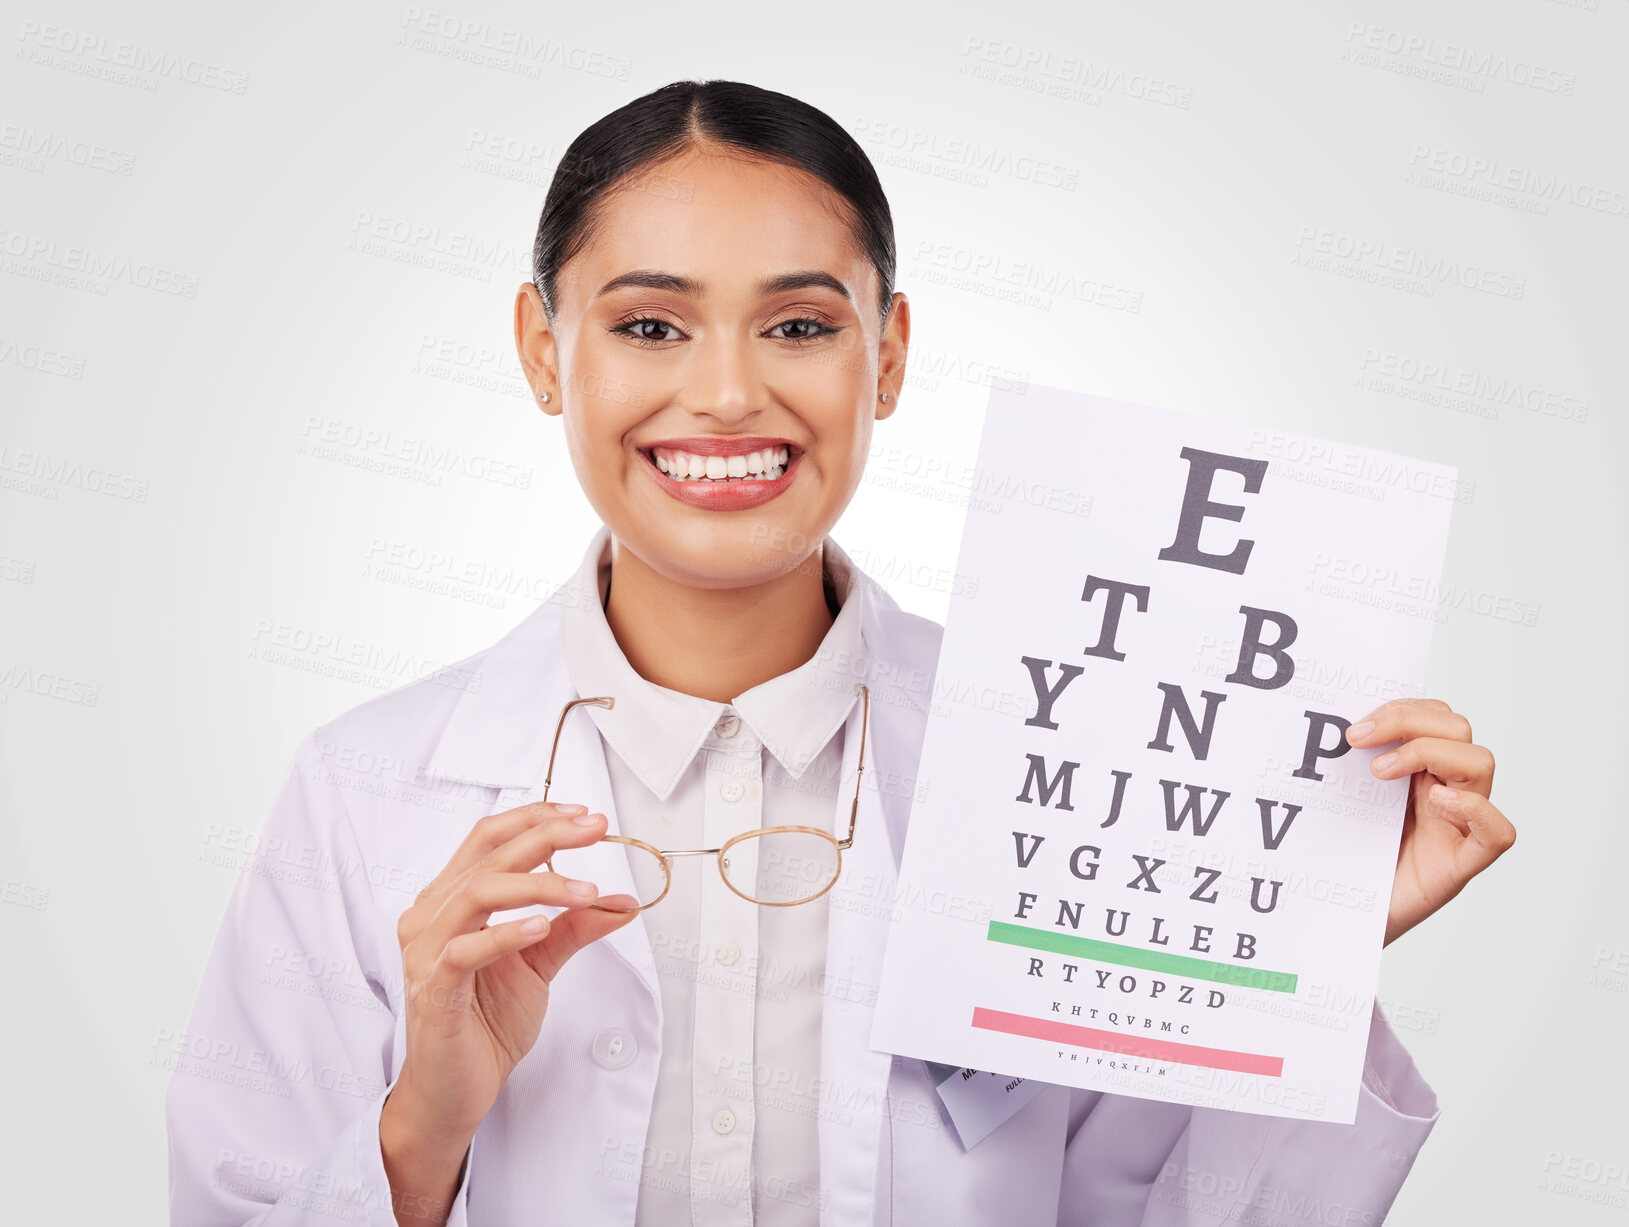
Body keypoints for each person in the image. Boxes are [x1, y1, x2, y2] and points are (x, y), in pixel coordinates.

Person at [165, 78, 1516, 1226]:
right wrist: (425, 1126)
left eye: (800, 325)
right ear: (541, 349)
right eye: (648, 324)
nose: (728, 392)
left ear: (886, 356)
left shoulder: (1062, 748)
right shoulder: (366, 793)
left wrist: (1288, 950)